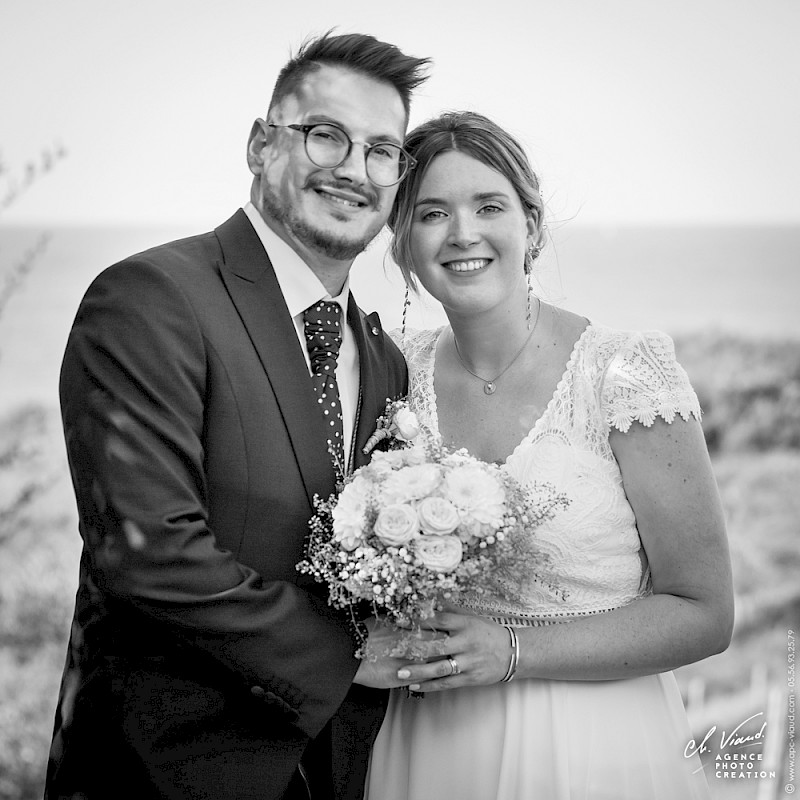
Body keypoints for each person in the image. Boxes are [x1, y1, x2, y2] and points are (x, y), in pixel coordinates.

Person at [45, 32, 431, 800]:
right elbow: (150, 554)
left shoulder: (381, 355)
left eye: (382, 151)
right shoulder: (152, 298)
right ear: (261, 145)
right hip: (161, 774)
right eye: (328, 136)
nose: (355, 170)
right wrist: (350, 654)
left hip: (338, 774)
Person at [364, 111, 734, 799]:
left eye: (489, 206)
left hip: (594, 748)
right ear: (402, 242)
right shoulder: (389, 379)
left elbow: (705, 613)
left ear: (531, 226)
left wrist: (512, 654)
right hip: (430, 748)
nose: (463, 233)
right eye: (432, 213)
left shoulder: (624, 374)